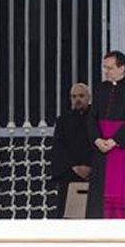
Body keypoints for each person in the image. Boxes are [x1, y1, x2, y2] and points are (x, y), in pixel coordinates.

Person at [84, 50, 125, 219]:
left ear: (122, 68)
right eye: (105, 67)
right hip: (102, 148)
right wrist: (97, 139)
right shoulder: (100, 88)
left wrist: (114, 141)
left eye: (110, 68)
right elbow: (91, 118)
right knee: (99, 196)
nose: (106, 71)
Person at [49, 83, 94, 218]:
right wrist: (74, 167)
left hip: (95, 172)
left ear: (88, 97)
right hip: (69, 172)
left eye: (81, 96)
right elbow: (59, 148)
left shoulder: (97, 118)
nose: (77, 100)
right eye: (74, 97)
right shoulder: (63, 121)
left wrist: (90, 166)